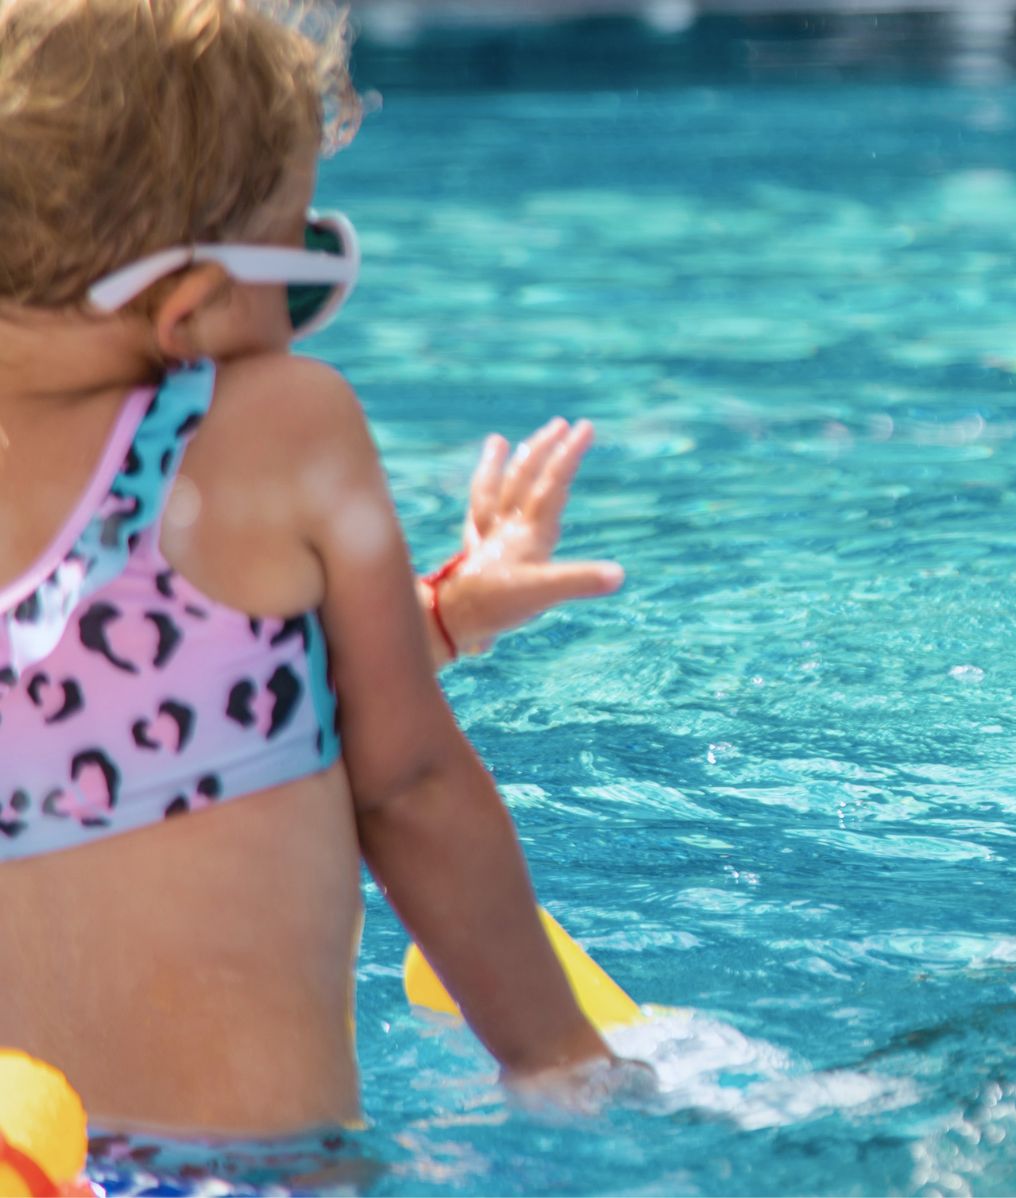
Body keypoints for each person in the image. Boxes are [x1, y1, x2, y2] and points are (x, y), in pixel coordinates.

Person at [0, 0, 629, 1136]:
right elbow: (406, 785)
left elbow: (93, 704)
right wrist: (569, 1066)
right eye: (301, 276)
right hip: (260, 1172)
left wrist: (441, 614)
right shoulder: (277, 429)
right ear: (190, 311)